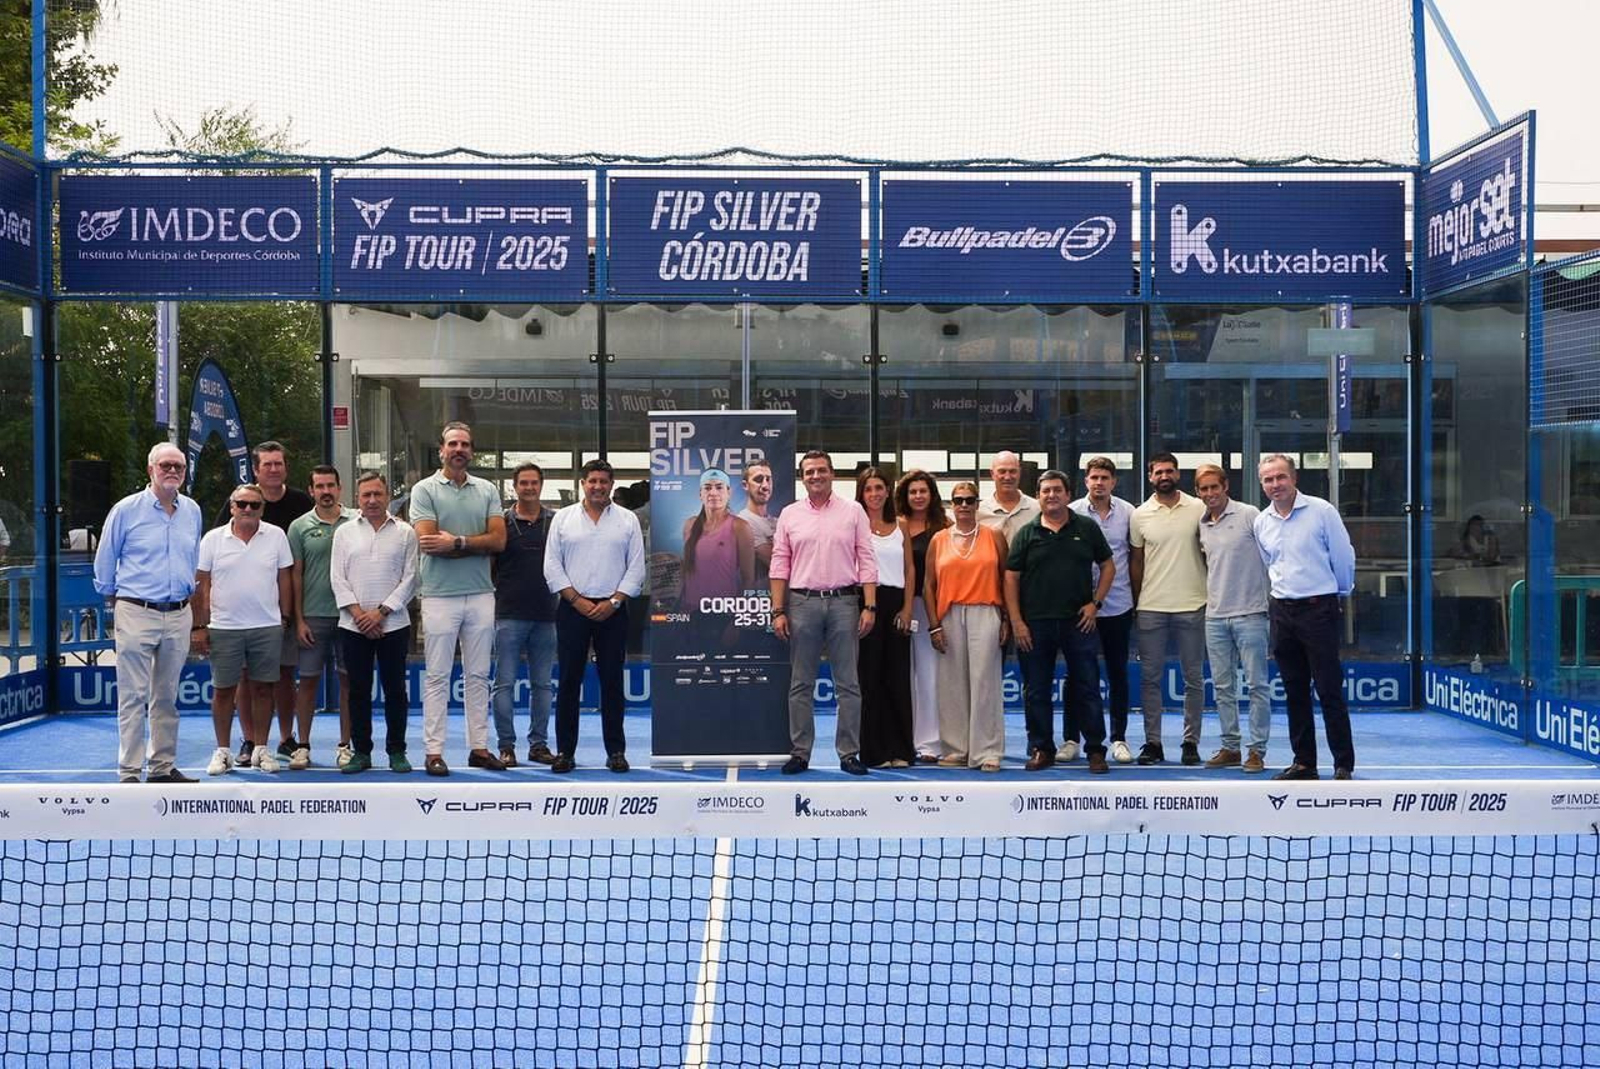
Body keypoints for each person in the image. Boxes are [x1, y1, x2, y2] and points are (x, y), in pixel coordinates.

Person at [92, 442, 202, 783]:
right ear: (150, 469)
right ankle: (129, 771)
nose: (173, 471)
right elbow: (105, 559)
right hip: (136, 609)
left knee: (167, 696)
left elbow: (193, 557)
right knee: (133, 695)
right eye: (165, 465)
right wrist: (115, 599)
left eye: (178, 466)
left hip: (179, 611)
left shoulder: (192, 511)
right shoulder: (126, 510)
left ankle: (161, 767)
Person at [769, 449, 878, 776]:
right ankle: (800, 753)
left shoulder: (853, 511)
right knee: (800, 684)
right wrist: (778, 610)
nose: (815, 476)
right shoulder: (789, 514)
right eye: (809, 472)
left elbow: (866, 558)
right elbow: (779, 562)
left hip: (845, 603)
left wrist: (869, 605)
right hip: (802, 603)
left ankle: (849, 753)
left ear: (832, 474)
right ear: (802, 478)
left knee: (849, 684)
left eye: (821, 470)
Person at [409, 421, 508, 776]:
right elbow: (428, 543)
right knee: (437, 676)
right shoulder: (424, 489)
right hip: (439, 595)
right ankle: (434, 752)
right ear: (441, 450)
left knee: (478, 676)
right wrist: (474, 543)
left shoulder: (487, 490)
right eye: (452, 444)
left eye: (465, 444)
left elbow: (499, 541)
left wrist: (458, 542)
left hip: (481, 594)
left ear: (472, 451)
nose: (459, 449)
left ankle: (479, 748)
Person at [1254, 453, 1358, 781]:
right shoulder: (1261, 522)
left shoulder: (1322, 512)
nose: (1275, 484)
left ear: (1294, 478)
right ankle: (1304, 763)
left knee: (1328, 688)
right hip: (1282, 612)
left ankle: (1343, 763)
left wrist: (1337, 594)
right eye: (1268, 480)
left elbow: (1343, 558)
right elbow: (1269, 564)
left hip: (1319, 609)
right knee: (1294, 690)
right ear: (1262, 484)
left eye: (1280, 477)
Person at [1006, 469, 1114, 774]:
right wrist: (1017, 621)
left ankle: (1095, 750)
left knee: (1087, 687)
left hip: (1078, 623)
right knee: (1036, 690)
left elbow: (1108, 566)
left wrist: (1095, 604)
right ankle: (1042, 748)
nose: (1051, 495)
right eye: (1046, 491)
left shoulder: (1086, 528)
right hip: (1035, 625)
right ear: (1038, 497)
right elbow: (1011, 578)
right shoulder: (1026, 533)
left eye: (1057, 490)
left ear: (1068, 495)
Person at [544, 459, 646, 773]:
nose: (598, 486)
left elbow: (636, 567)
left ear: (611, 485)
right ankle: (565, 752)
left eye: (603, 481)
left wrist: (614, 601)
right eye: (592, 481)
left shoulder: (628, 520)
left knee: (612, 682)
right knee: (568, 681)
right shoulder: (563, 518)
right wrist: (575, 600)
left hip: (613, 610)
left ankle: (616, 751)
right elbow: (551, 565)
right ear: (583, 484)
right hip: (572, 609)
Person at [217, 441, 313, 770]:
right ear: (256, 470)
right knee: (246, 678)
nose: (273, 469)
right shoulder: (238, 501)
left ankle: (286, 738)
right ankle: (249, 740)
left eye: (278, 463)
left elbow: (293, 568)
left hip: (283, 611)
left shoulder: (301, 503)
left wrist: (289, 614)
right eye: (267, 464)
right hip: (242, 615)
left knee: (284, 675)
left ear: (285, 468)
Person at [193, 484, 294, 775]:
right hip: (224, 627)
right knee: (223, 691)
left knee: (264, 689)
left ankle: (261, 749)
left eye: (254, 505)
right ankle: (223, 751)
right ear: (232, 506)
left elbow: (284, 579)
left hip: (267, 626)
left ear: (262, 509)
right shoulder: (212, 539)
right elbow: (201, 584)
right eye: (242, 504)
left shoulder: (276, 536)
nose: (248, 509)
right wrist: (200, 626)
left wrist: (284, 618)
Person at [330, 472, 419, 774]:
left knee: (395, 691)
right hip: (352, 626)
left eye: (377, 494)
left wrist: (380, 613)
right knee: (357, 691)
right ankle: (361, 752)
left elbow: (411, 578)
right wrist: (359, 615)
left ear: (387, 496)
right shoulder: (344, 533)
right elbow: (337, 578)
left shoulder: (405, 532)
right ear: (357, 498)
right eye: (366, 495)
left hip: (393, 625)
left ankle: (397, 750)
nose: (372, 500)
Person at [924, 480, 1010, 772]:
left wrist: (1007, 618)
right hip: (949, 614)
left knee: (985, 683)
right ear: (951, 504)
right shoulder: (939, 539)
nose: (963, 505)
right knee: (951, 684)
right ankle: (956, 748)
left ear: (977, 504)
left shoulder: (994, 535)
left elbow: (1006, 579)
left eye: (969, 500)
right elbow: (928, 585)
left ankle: (987, 751)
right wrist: (934, 625)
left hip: (986, 611)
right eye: (958, 500)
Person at [1129, 452, 1208, 766]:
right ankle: (1153, 743)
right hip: (1151, 608)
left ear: (1178, 474)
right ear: (1150, 477)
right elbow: (1137, 562)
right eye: (1158, 472)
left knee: (1193, 679)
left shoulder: (1198, 508)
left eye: (1169, 471)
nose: (1164, 476)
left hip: (1193, 605)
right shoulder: (1139, 515)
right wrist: (1138, 601)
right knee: (1150, 679)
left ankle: (1191, 743)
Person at [1195, 464, 1272, 774]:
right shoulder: (1201, 524)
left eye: (1214, 487)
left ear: (1225, 486)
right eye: (1204, 489)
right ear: (1198, 492)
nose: (1210, 493)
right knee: (1223, 687)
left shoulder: (1249, 514)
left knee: (1257, 686)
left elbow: (1271, 554)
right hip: (1215, 616)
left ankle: (1256, 750)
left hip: (1251, 614)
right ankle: (1230, 747)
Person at [285, 464, 356, 770]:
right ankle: (302, 746)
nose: (326, 492)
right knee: (308, 682)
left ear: (339, 488)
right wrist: (299, 619)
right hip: (313, 617)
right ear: (311, 491)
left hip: (350, 616)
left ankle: (346, 746)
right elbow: (295, 575)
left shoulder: (357, 521)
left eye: (330, 486)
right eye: (320, 486)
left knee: (348, 683)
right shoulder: (299, 527)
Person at [1068, 457, 1137, 763]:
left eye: (1104, 478)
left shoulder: (1128, 513)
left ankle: (1119, 738)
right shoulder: (1072, 512)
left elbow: (1134, 557)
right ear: (1086, 481)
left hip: (1118, 605)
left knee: (1117, 674)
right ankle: (1071, 738)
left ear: (1113, 482)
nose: (1099, 483)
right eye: (1094, 477)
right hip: (1081, 609)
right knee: (1077, 676)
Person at [492, 462, 559, 767]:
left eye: (534, 482)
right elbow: (490, 566)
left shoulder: (556, 522)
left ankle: (539, 745)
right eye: (523, 483)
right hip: (508, 614)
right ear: (514, 486)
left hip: (546, 614)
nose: (529, 488)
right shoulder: (501, 523)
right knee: (504, 684)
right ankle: (506, 746)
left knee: (542, 685)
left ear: (541, 486)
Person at [856, 467, 915, 768]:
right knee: (870, 678)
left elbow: (909, 569)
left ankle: (901, 750)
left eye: (879, 488)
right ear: (861, 493)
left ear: (888, 491)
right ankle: (874, 752)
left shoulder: (901, 524)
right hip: (866, 603)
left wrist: (907, 608)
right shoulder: (855, 525)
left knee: (898, 678)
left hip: (896, 604)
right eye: (868, 489)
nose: (874, 494)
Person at [895, 470, 948, 764]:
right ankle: (903, 738)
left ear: (932, 494)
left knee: (929, 676)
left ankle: (930, 743)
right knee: (902, 676)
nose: (918, 496)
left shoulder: (945, 527)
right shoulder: (895, 525)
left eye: (923, 491)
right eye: (912, 491)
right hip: (900, 608)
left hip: (930, 609)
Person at [680, 468, 755, 608]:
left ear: (729, 493)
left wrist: (737, 613)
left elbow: (748, 579)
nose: (713, 492)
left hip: (724, 611)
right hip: (691, 610)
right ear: (700, 494)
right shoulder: (689, 525)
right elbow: (687, 573)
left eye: (719, 487)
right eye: (707, 488)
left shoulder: (740, 527)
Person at [977, 450, 1040, 542]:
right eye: (1002, 471)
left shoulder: (1037, 509)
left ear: (1019, 473)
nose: (1007, 477)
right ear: (992, 474)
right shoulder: (979, 512)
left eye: (1012, 471)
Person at [737, 460, 778, 578]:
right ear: (745, 485)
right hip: (760, 589)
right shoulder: (742, 523)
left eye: (768, 479)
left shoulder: (778, 521)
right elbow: (776, 562)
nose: (765, 485)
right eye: (758, 479)